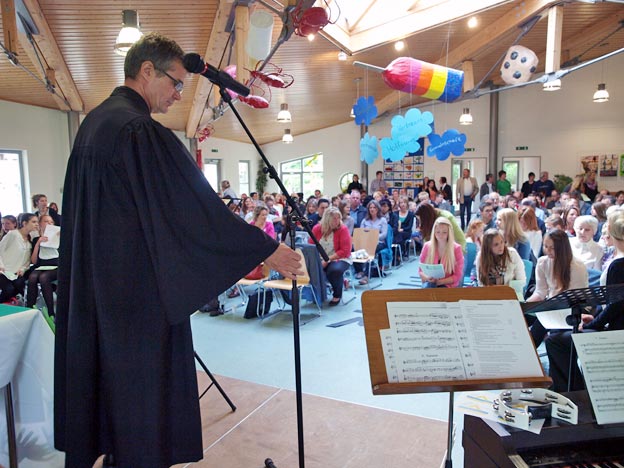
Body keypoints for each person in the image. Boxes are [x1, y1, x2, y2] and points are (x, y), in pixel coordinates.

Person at [54, 33, 302, 468]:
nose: (178, 94)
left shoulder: (93, 124)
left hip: (97, 293)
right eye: (176, 83)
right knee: (140, 410)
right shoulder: (138, 132)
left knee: (108, 398)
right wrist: (266, 249)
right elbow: (194, 210)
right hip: (134, 299)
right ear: (147, 71)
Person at [545, 210, 624, 391]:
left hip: (617, 334)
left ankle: (575, 394)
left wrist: (591, 325)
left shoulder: (619, 265)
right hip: (614, 326)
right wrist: (595, 320)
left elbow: (615, 307)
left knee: (555, 341)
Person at [526, 230, 588, 347]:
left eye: (552, 248)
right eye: (545, 246)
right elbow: (540, 292)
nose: (547, 251)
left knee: (551, 334)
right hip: (552, 308)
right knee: (530, 332)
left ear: (562, 248)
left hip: (571, 309)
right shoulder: (542, 262)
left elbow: (576, 299)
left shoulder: (576, 267)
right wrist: (524, 305)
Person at [309, 207, 352, 306]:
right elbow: (311, 246)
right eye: (334, 218)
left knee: (334, 270)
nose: (337, 221)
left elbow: (345, 251)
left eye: (338, 218)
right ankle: (318, 294)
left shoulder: (343, 229)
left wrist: (327, 260)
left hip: (339, 258)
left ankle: (337, 294)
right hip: (320, 258)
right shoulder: (317, 229)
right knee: (311, 268)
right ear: (327, 219)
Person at [26, 214, 60, 315]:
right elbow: (34, 261)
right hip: (41, 266)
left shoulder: (59, 237)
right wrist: (38, 243)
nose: (49, 224)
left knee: (44, 278)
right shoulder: (36, 239)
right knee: (32, 277)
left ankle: (50, 311)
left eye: (51, 222)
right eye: (46, 221)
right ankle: (30, 309)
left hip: (56, 266)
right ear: (40, 224)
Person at [0, 213, 38, 303]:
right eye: (33, 222)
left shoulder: (29, 241)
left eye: (37, 222)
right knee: (9, 290)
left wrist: (23, 269)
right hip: (3, 272)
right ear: (24, 223)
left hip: (16, 274)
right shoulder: (13, 234)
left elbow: (27, 261)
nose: (36, 224)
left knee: (19, 286)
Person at [418, 217, 464, 288]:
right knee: (428, 289)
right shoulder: (427, 246)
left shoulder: (456, 248)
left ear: (449, 233)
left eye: (444, 232)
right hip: (430, 282)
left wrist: (439, 282)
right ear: (434, 232)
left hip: (448, 284)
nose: (440, 235)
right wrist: (427, 278)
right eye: (438, 232)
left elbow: (457, 275)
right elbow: (420, 270)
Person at [357, 200, 388, 285]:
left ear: (377, 209)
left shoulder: (382, 220)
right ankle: (359, 271)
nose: (372, 209)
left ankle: (366, 276)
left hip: (380, 242)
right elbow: (360, 232)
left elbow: (384, 234)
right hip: (366, 242)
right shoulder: (364, 221)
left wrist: (373, 237)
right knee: (355, 248)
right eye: (370, 207)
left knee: (370, 250)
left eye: (374, 207)